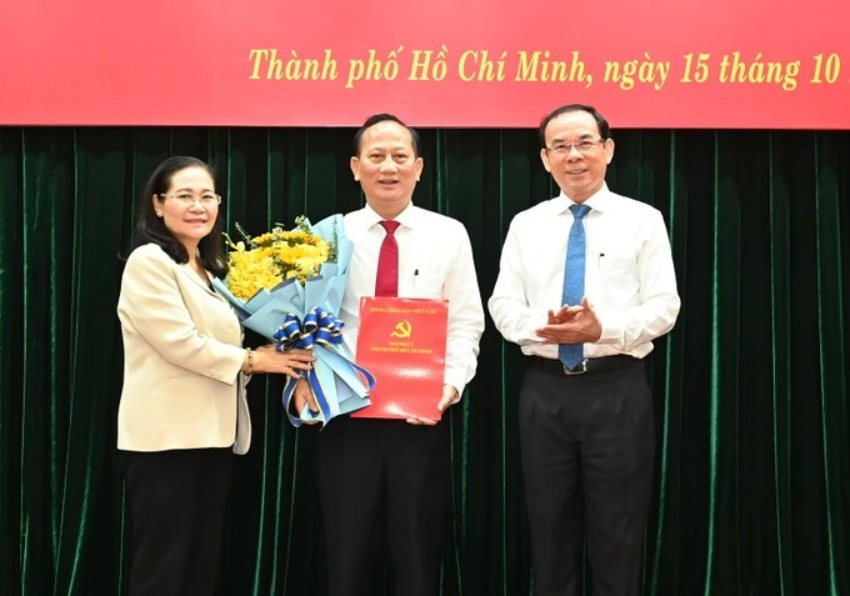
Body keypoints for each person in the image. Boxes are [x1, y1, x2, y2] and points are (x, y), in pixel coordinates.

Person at [488, 104, 681, 596]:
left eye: (585, 143)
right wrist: (550, 328)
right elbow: (502, 304)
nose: (573, 156)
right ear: (545, 158)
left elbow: (665, 306)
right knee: (549, 533)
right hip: (545, 394)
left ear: (608, 149)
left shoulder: (644, 220)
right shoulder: (525, 225)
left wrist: (602, 329)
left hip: (617, 391)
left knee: (618, 534)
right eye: (560, 147)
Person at [295, 114, 485, 596]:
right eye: (376, 157)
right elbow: (302, 324)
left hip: (418, 420)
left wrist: (451, 386)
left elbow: (466, 324)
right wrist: (302, 384)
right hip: (344, 417)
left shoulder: (450, 234)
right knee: (345, 555)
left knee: (417, 556)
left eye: (400, 157)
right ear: (355, 167)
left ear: (420, 167)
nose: (389, 167)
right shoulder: (326, 237)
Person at [116, 156, 315, 596]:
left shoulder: (213, 271)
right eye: (184, 196)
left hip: (215, 436)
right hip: (166, 441)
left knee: (199, 567)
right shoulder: (149, 261)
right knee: (162, 570)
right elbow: (179, 342)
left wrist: (275, 352)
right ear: (158, 204)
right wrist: (251, 361)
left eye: (207, 196)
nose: (198, 206)